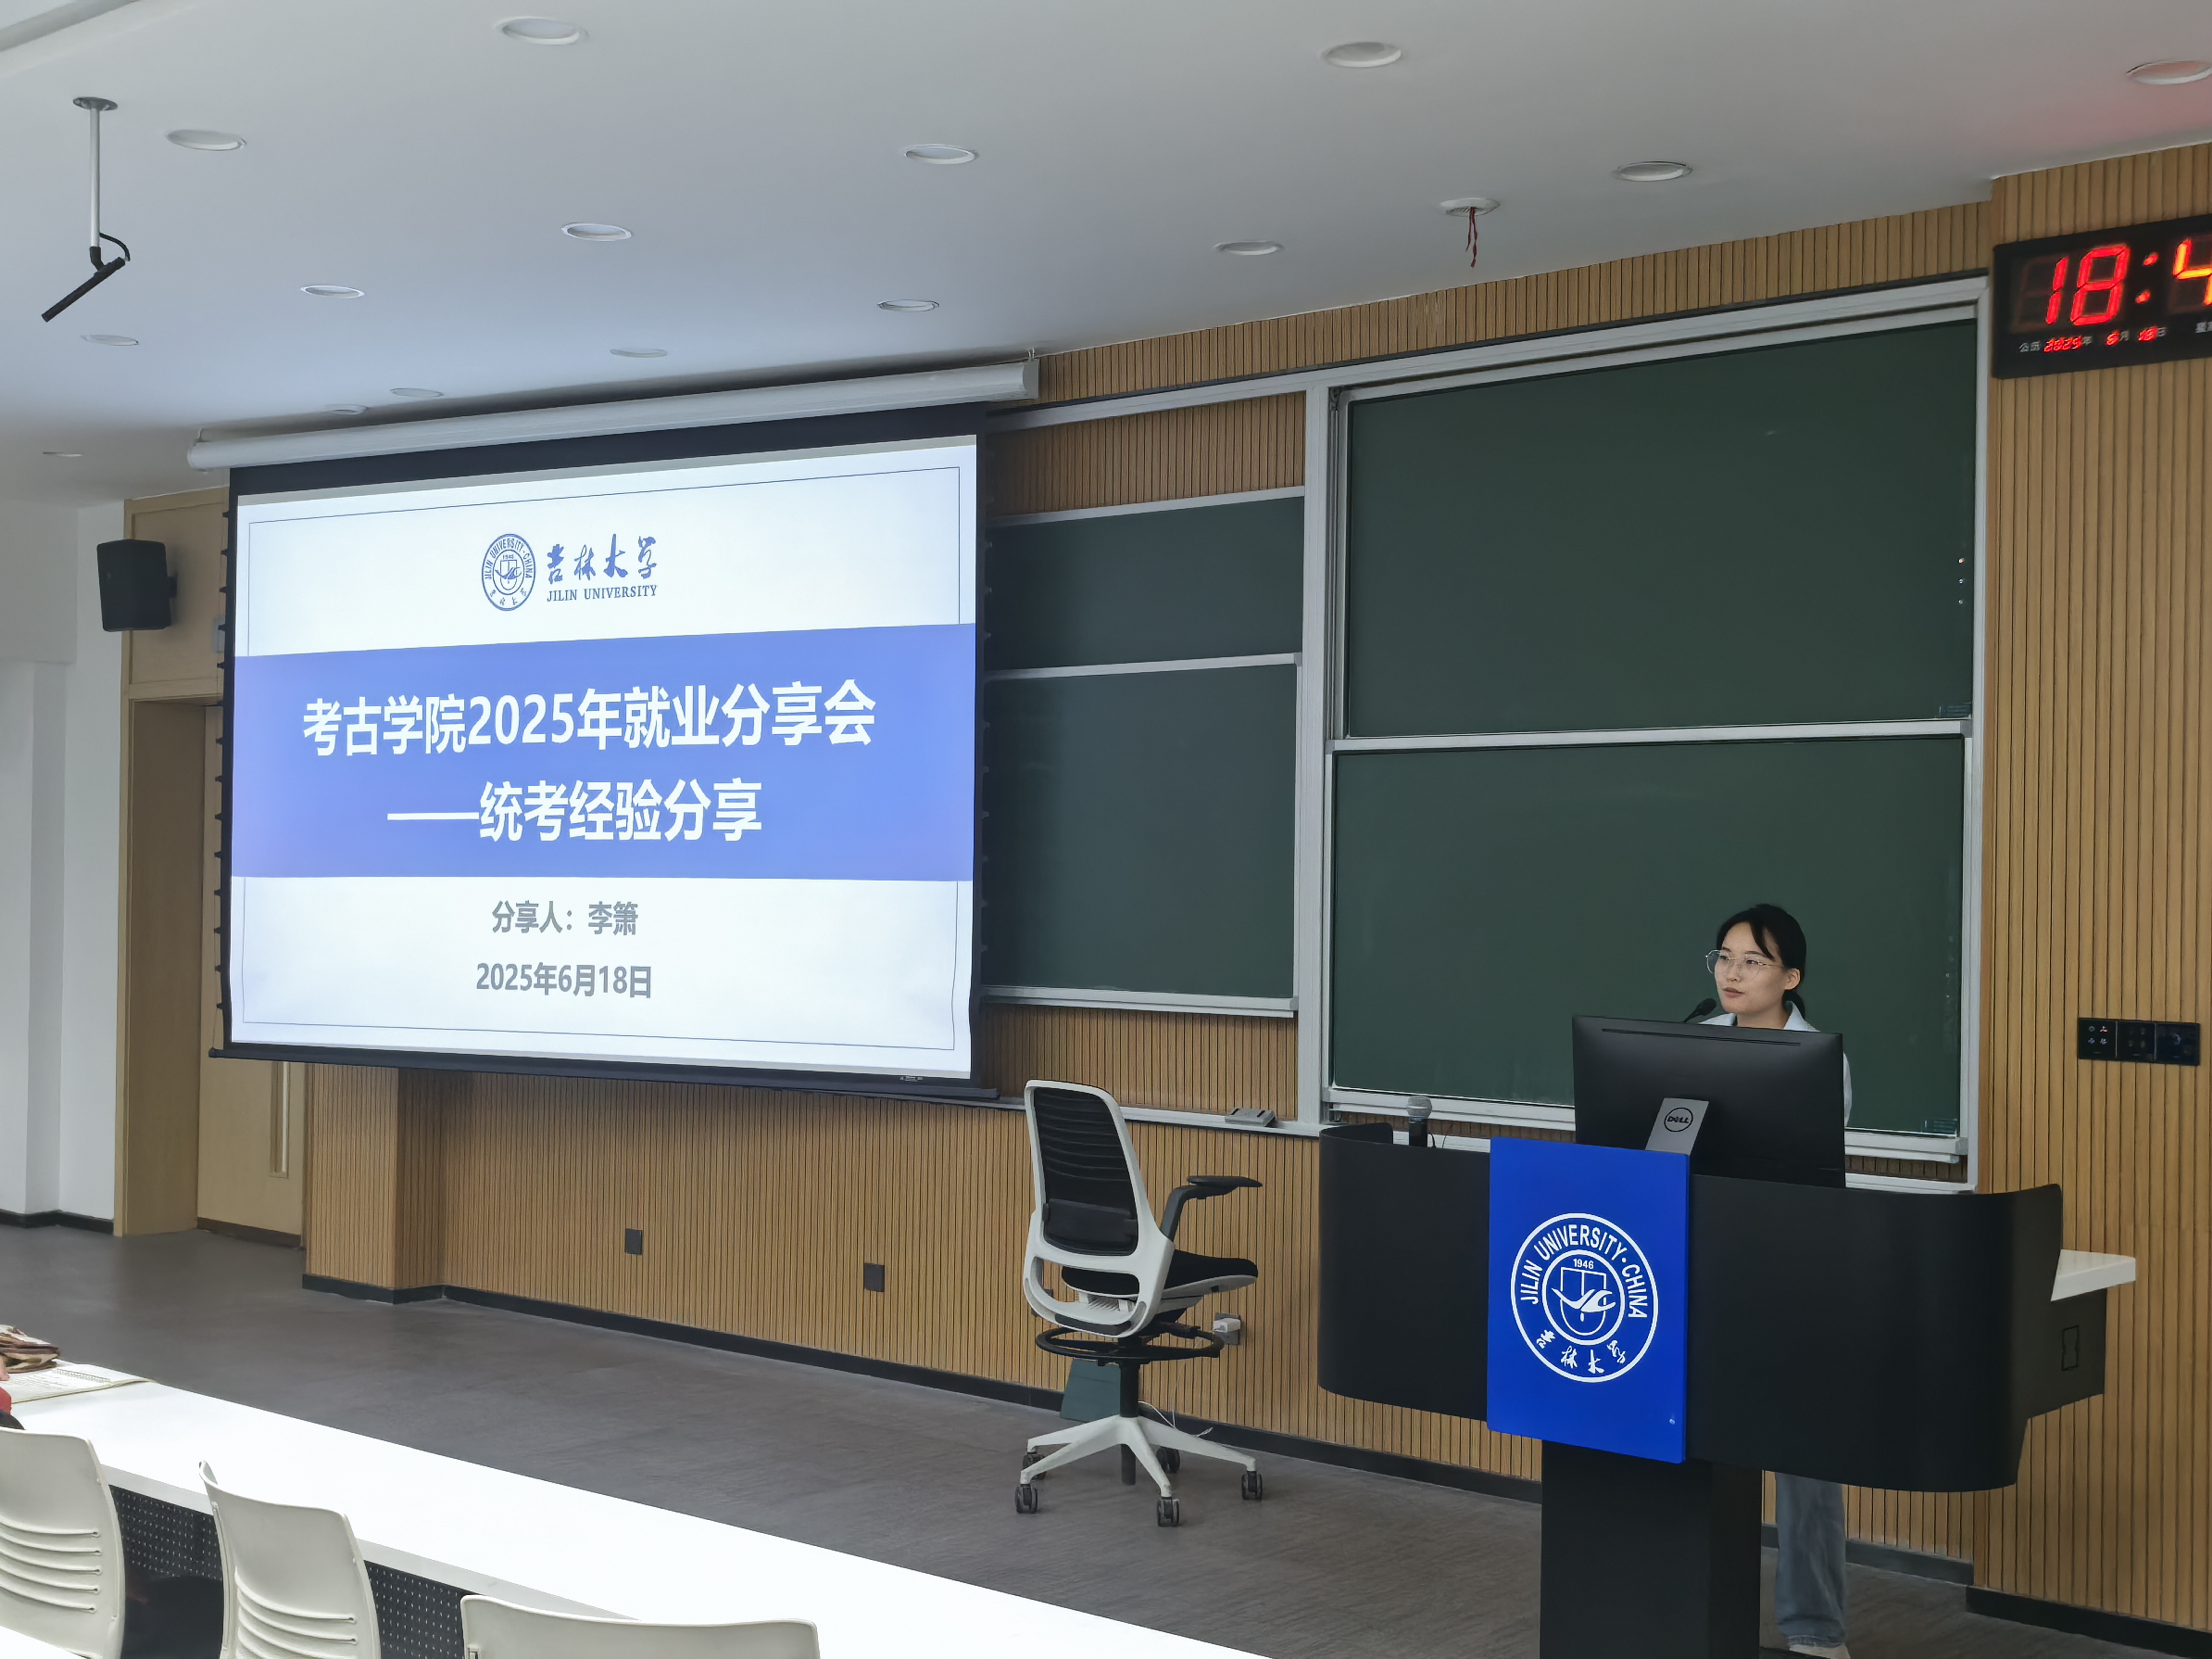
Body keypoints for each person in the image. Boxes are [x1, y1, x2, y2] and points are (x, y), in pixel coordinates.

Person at [1701, 902, 1850, 1659]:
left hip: (1794, 1267)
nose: (1732, 973)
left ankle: (1815, 1628)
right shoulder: (1693, 1042)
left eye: (1752, 961)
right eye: (1724, 957)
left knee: (1805, 1450)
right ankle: (1687, 1602)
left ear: (1791, 977)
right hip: (1707, 1257)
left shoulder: (1819, 1059)